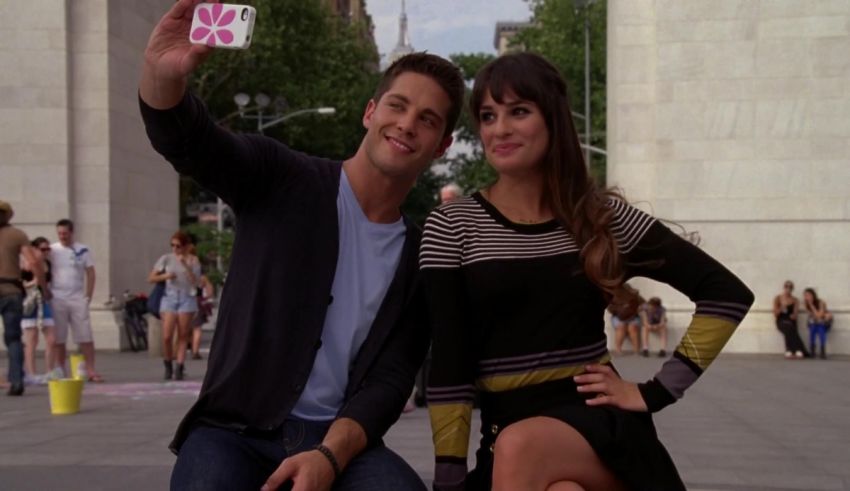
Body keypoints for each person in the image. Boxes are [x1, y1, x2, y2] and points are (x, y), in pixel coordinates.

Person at [138, 2, 465, 489]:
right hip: (232, 430)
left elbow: (391, 379)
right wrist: (161, 76)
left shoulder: (422, 253)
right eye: (397, 105)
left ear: (442, 145)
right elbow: (192, 141)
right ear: (371, 111)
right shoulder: (283, 177)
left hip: (342, 443)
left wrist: (329, 457)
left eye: (428, 119)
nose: (406, 124)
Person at [420, 52, 754, 491]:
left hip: (600, 425)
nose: (499, 129)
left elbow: (726, 295)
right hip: (505, 429)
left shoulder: (602, 217)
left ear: (553, 121)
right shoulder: (451, 224)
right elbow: (448, 360)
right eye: (487, 115)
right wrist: (448, 477)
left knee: (521, 449)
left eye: (518, 111)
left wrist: (655, 391)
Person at [0, 200, 46, 396]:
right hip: (11, 290)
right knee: (13, 338)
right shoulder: (17, 235)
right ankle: (16, 381)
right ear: (9, 215)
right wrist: (44, 287)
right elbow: (34, 261)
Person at [50, 218, 103, 382]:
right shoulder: (52, 250)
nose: (62, 236)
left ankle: (91, 369)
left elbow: (91, 272)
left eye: (65, 233)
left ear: (72, 232)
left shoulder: (83, 249)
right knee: (59, 337)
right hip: (57, 297)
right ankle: (60, 369)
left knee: (85, 334)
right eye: (59, 233)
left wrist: (88, 296)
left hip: (77, 297)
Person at [148, 231, 200, 380]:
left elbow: (196, 282)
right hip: (169, 299)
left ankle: (180, 366)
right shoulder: (166, 259)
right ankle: (168, 364)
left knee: (183, 334)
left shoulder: (193, 260)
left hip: (186, 298)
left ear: (185, 246)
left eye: (178, 246)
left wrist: (185, 265)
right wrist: (165, 276)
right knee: (166, 336)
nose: (175, 249)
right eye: (173, 245)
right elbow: (151, 277)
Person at [21, 237, 57, 384]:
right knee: (32, 339)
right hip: (29, 301)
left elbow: (48, 282)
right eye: (43, 249)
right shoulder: (26, 264)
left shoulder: (47, 264)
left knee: (51, 338)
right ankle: (31, 373)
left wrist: (46, 289)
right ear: (34, 249)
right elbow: (21, 283)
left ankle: (50, 371)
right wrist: (34, 282)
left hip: (43, 301)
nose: (46, 252)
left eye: (48, 249)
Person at [607, 283, 644, 355]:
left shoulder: (634, 296)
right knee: (621, 327)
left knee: (633, 328)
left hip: (633, 317)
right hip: (618, 317)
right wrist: (620, 308)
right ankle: (618, 350)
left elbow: (644, 304)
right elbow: (610, 309)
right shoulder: (614, 297)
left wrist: (639, 308)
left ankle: (636, 350)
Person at [773, 280, 806, 359]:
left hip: (791, 320)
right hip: (781, 320)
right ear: (784, 288)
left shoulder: (795, 300)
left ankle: (791, 350)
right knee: (789, 327)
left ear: (792, 289)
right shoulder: (778, 298)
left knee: (790, 326)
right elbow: (775, 314)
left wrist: (793, 316)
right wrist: (781, 307)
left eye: (790, 287)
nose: (788, 289)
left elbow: (795, 314)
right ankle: (796, 349)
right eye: (786, 287)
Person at [802, 287, 832, 359]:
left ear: (813, 295)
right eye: (805, 295)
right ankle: (812, 350)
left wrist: (812, 306)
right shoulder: (806, 304)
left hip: (825, 322)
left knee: (821, 329)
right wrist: (810, 306)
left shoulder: (821, 302)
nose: (807, 297)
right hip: (814, 321)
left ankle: (822, 350)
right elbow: (812, 316)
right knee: (813, 329)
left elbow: (820, 315)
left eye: (808, 295)